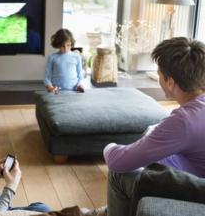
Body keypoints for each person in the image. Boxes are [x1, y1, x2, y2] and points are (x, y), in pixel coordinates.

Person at [83, 37, 205, 216]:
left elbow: (118, 161)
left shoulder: (184, 121)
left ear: (170, 82)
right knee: (154, 157)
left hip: (198, 189)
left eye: (159, 73)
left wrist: (109, 148)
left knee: (120, 173)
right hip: (197, 172)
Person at [44, 28, 84, 94]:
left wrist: (79, 85)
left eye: (68, 45)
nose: (65, 48)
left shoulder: (76, 57)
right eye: (62, 46)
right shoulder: (52, 57)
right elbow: (46, 78)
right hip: (57, 91)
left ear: (71, 43)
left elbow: (80, 76)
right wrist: (50, 87)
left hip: (74, 91)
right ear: (57, 44)